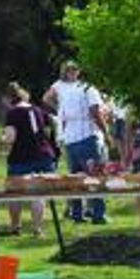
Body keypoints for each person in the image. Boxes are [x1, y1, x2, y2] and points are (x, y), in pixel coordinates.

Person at [43, 60, 110, 224]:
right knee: (95, 175)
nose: (73, 72)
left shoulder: (63, 87)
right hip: (86, 135)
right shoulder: (88, 89)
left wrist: (60, 109)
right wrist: (106, 132)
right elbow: (95, 112)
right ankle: (97, 213)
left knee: (76, 178)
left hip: (70, 137)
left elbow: (46, 98)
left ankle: (77, 213)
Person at [0, 81, 57, 237]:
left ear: (7, 99)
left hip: (20, 158)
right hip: (44, 155)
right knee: (38, 194)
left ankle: (15, 227)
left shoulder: (12, 113)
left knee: (14, 192)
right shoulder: (37, 110)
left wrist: (2, 138)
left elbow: (11, 138)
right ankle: (37, 229)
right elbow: (49, 127)